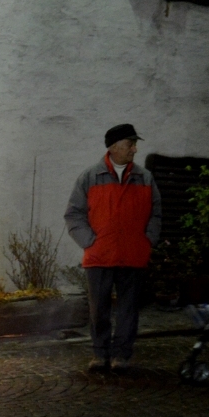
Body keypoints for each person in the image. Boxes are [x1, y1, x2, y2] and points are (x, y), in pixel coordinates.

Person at [65, 123, 161, 372]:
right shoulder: (90, 177)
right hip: (99, 255)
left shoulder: (145, 177)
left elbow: (156, 214)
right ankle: (100, 355)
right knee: (99, 310)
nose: (135, 149)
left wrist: (147, 239)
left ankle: (122, 356)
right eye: (130, 144)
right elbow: (74, 214)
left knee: (129, 310)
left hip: (133, 254)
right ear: (114, 146)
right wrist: (89, 241)